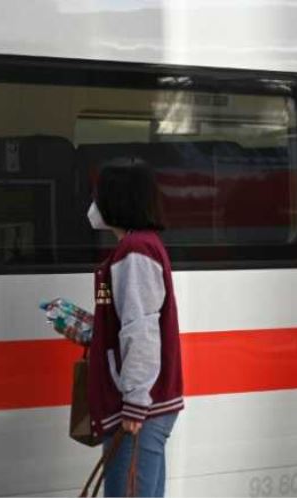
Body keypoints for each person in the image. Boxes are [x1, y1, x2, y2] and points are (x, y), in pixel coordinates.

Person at [86, 161, 184, 497]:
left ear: (116, 200)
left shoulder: (135, 250)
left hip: (139, 409)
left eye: (98, 196)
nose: (94, 204)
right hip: (145, 406)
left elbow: (141, 330)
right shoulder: (141, 245)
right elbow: (132, 321)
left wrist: (135, 401)